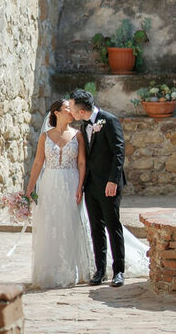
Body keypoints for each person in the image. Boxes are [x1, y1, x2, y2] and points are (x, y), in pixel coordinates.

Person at [26, 98, 94, 289]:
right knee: (51, 224)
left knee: (72, 222)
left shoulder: (78, 135)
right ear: (56, 112)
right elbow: (38, 162)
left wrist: (80, 186)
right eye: (67, 109)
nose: (71, 112)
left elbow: (82, 163)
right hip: (50, 184)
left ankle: (74, 269)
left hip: (71, 181)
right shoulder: (45, 137)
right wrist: (30, 188)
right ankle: (51, 269)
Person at [69, 87, 129, 287]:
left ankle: (119, 271)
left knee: (113, 226)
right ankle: (100, 270)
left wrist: (113, 180)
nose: (70, 111)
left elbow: (118, 152)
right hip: (91, 185)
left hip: (109, 185)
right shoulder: (83, 126)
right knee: (96, 228)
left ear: (81, 110)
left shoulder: (109, 120)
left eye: (71, 108)